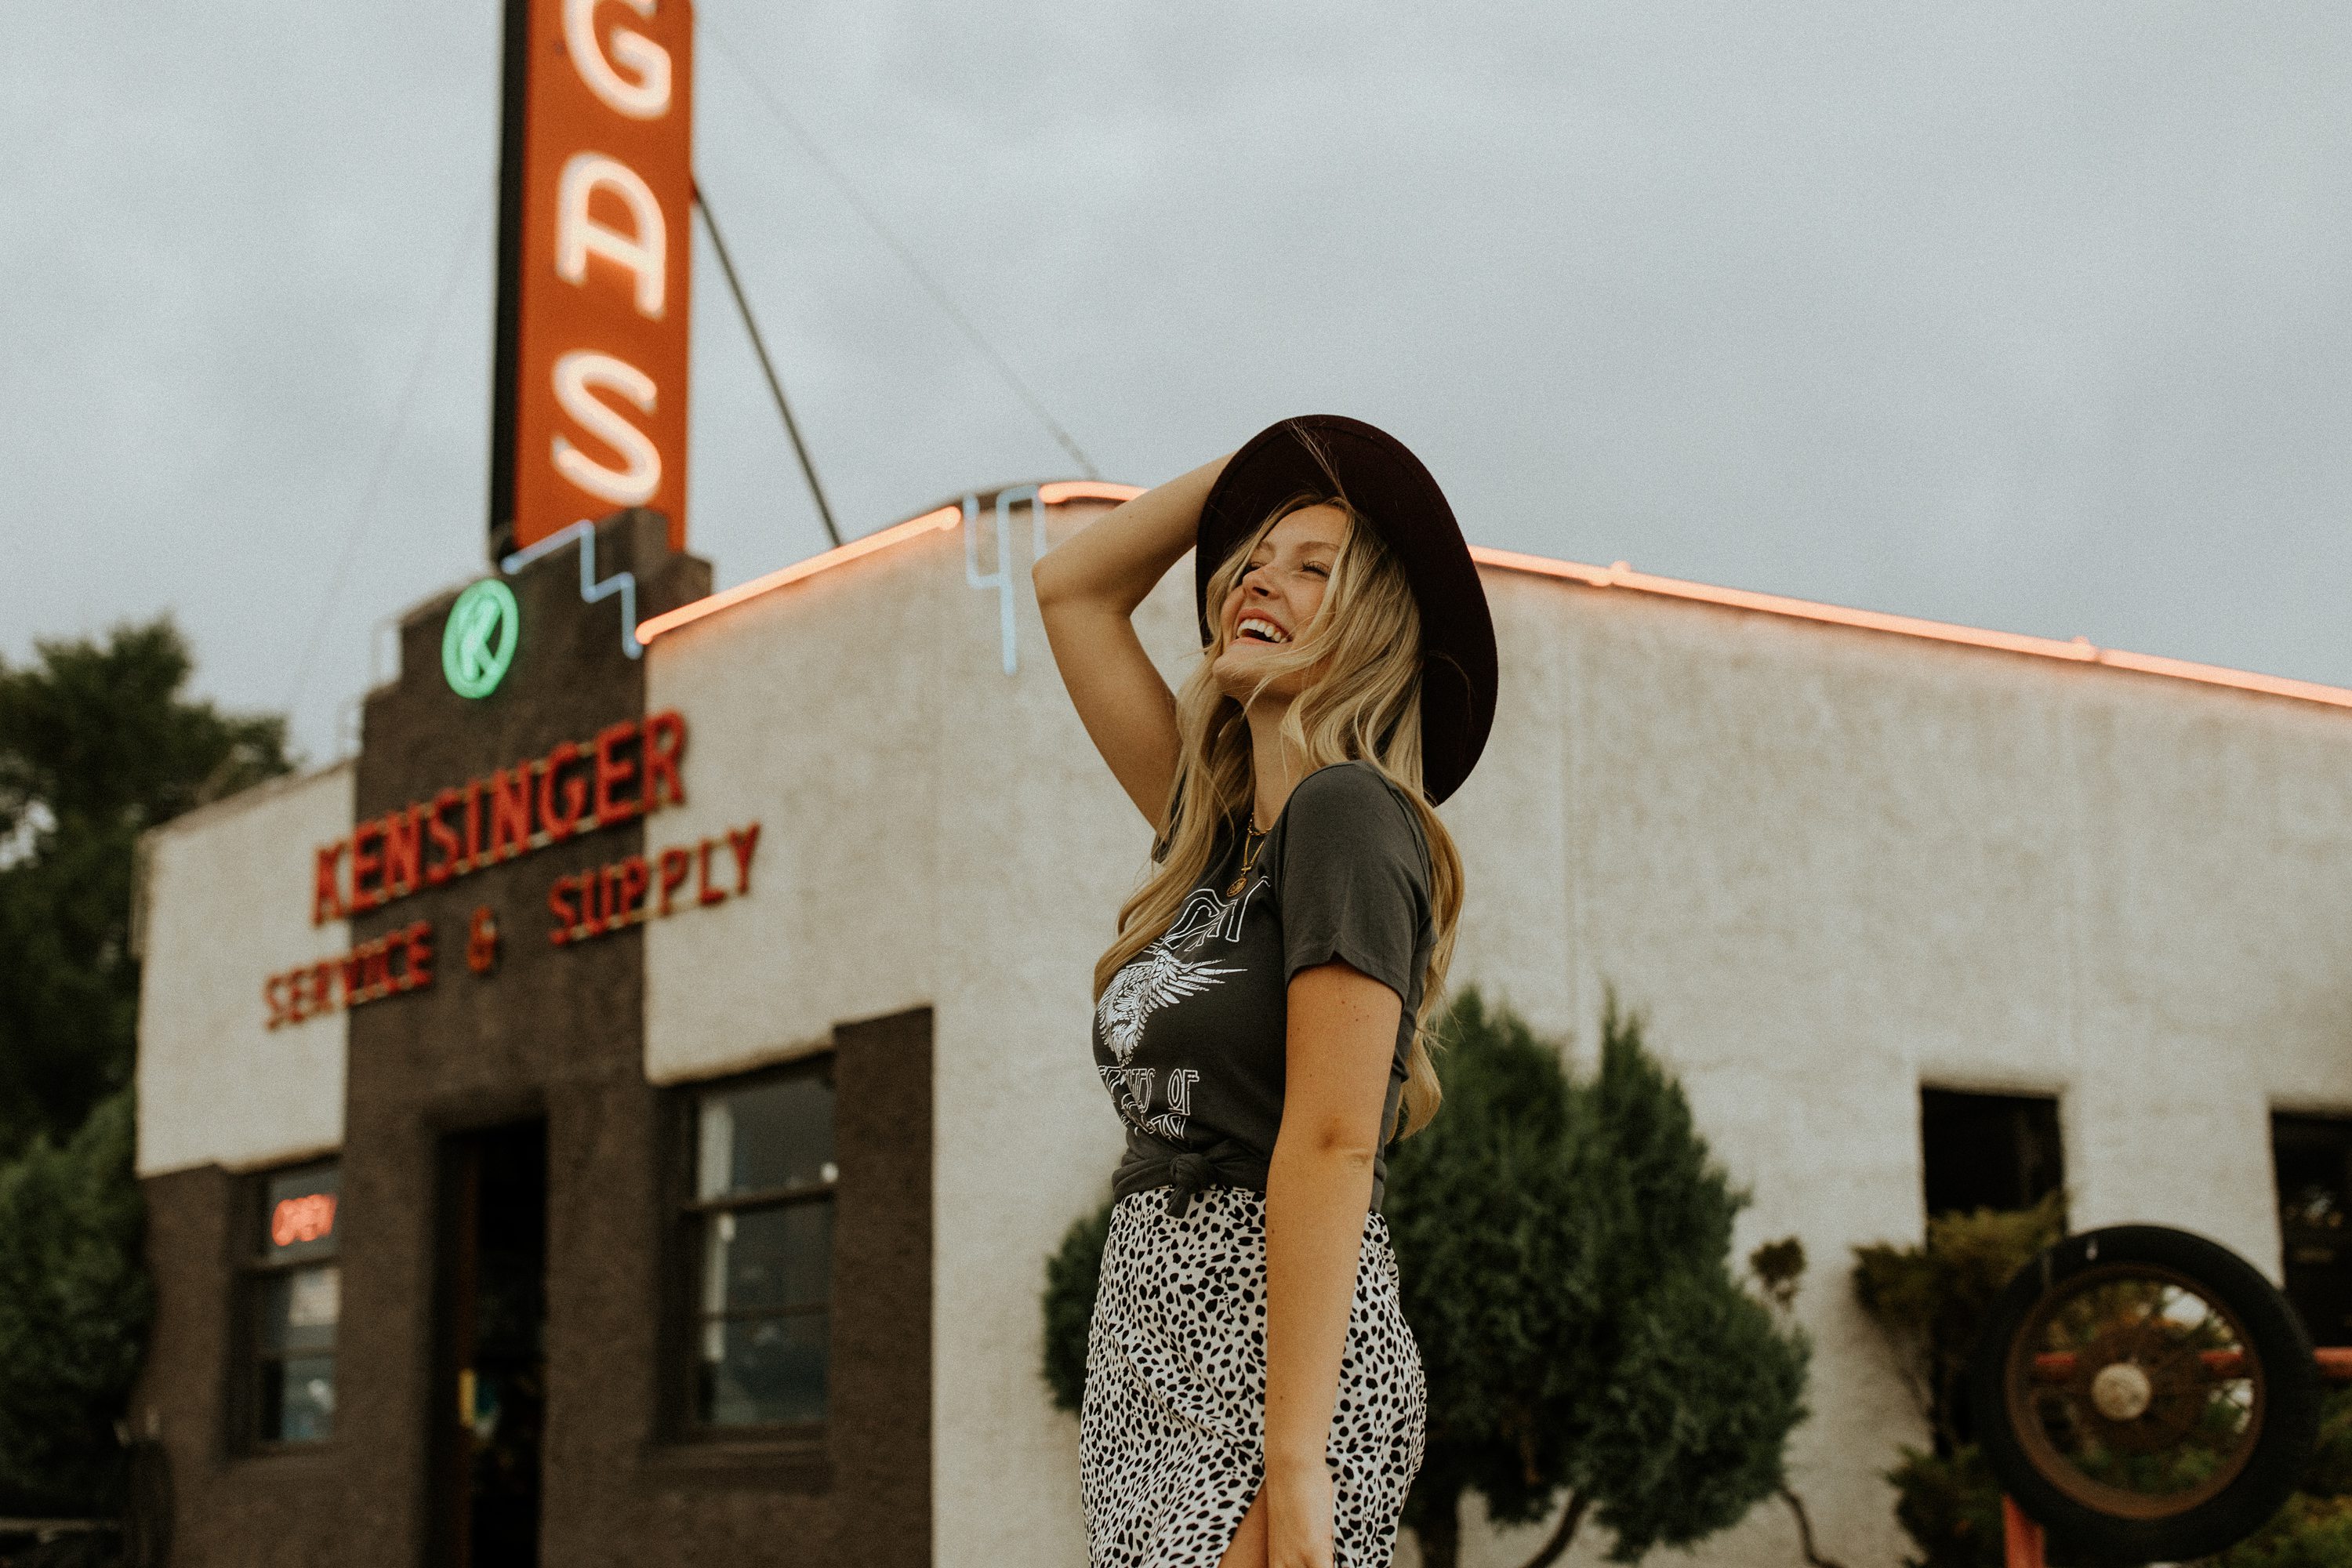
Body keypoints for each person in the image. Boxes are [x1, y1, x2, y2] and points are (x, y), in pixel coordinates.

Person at [1033, 416, 1499, 1568]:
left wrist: (1297, 1458)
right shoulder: (1211, 841)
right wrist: (1269, 461)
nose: (1256, 578)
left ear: (1371, 626)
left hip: (1277, 1358)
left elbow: (1337, 1139)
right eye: (1251, 557)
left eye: (1311, 567)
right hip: (1144, 1348)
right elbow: (1071, 588)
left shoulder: (1348, 816)